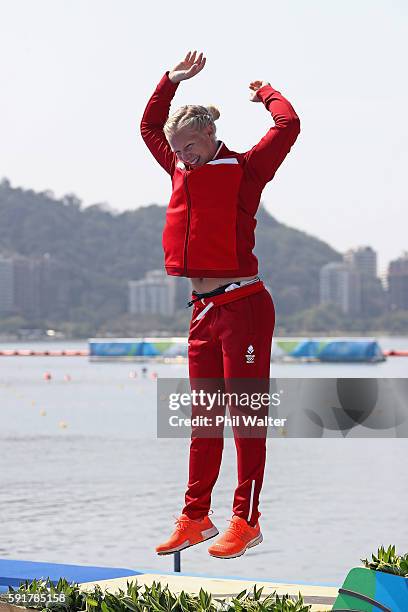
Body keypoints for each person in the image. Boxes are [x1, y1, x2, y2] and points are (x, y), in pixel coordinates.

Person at [140, 51, 300, 559]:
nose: (184, 156)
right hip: (203, 309)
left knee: (245, 418)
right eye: (178, 150)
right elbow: (148, 127)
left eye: (191, 146)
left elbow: (289, 126)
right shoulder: (179, 167)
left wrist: (267, 94)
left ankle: (246, 519)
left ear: (210, 135)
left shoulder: (246, 170)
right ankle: (194, 516)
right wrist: (169, 81)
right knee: (203, 417)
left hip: (244, 306)